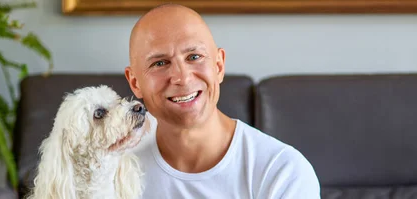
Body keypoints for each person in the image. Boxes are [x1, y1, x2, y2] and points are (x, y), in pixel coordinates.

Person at [124, 3, 321, 198]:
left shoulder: (282, 172)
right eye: (160, 63)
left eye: (194, 57)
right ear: (135, 82)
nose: (182, 78)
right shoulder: (113, 158)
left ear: (218, 66)